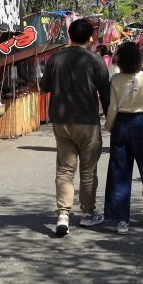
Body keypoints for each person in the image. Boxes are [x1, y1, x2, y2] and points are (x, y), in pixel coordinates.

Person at [39, 18, 111, 235]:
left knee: (64, 169)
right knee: (88, 170)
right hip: (87, 121)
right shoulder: (96, 60)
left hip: (61, 120)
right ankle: (88, 214)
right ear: (90, 37)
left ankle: (63, 214)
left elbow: (44, 87)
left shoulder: (55, 58)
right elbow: (106, 94)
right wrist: (110, 120)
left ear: (69, 35)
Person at [103, 42, 143, 234]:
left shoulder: (115, 79)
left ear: (119, 60)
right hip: (140, 124)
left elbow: (112, 108)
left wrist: (108, 127)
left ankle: (122, 220)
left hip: (120, 125)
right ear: (139, 59)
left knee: (119, 172)